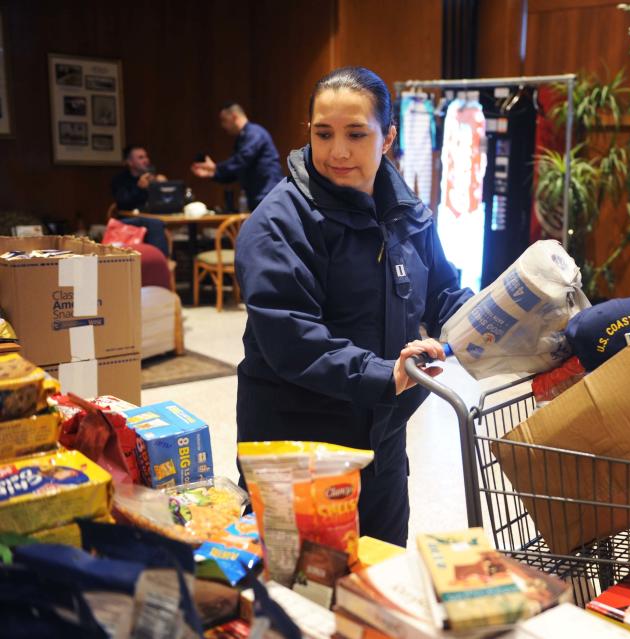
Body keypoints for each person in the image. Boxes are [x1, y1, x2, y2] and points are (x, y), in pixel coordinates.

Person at [235, 67, 473, 546]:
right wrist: (386, 375)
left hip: (382, 444)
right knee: (301, 601)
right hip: (300, 449)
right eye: (323, 134)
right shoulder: (279, 223)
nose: (337, 151)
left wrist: (502, 320)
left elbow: (444, 292)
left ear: (387, 138)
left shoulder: (408, 215)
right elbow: (292, 340)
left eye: (355, 134)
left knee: (381, 582)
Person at [190, 102, 284, 210]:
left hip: (269, 196)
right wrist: (212, 174)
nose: (223, 126)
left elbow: (241, 160)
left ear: (234, 116)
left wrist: (216, 168)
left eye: (224, 121)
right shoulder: (242, 138)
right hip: (258, 198)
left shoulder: (254, 133)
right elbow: (236, 171)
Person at [111, 144, 167, 211]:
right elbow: (123, 203)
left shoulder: (151, 177)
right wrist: (139, 188)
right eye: (141, 158)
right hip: (129, 218)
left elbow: (164, 203)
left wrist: (163, 186)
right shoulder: (119, 180)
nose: (146, 160)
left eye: (146, 157)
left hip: (151, 215)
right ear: (130, 162)